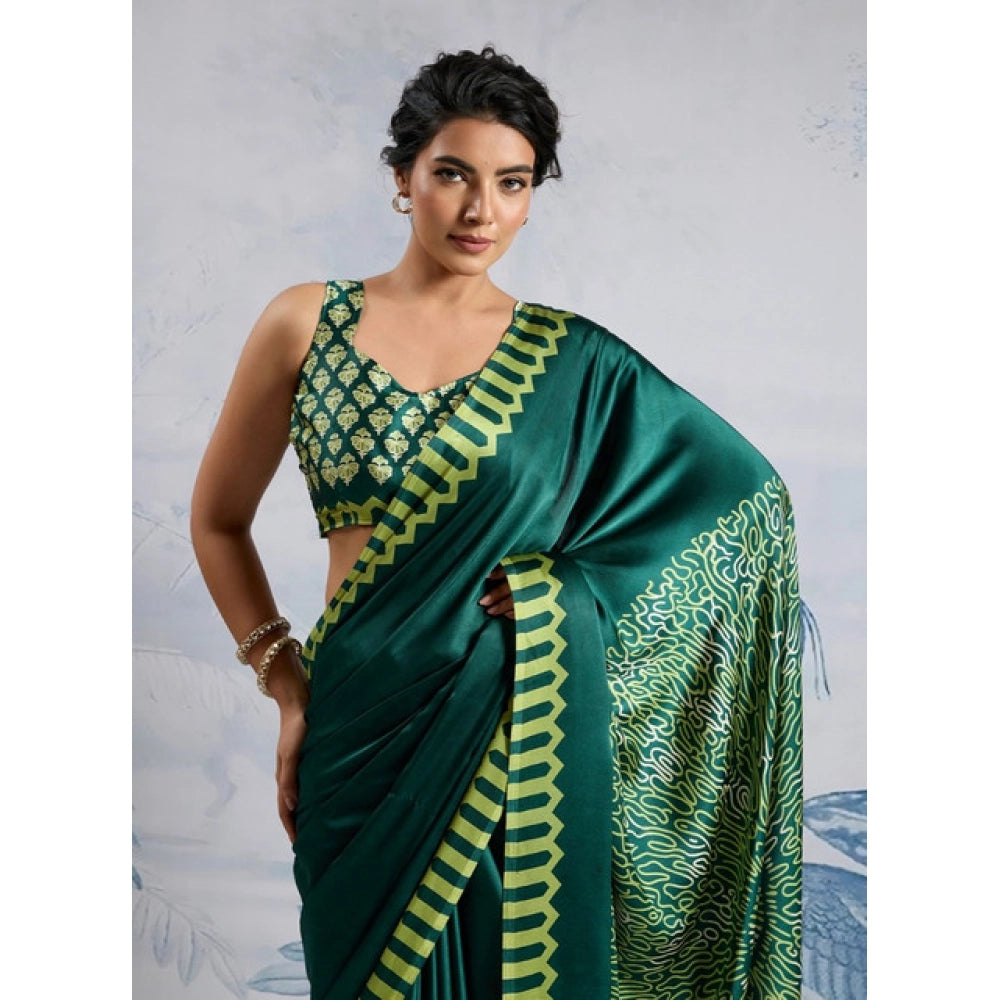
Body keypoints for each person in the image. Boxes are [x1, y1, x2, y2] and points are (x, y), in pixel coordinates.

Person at [190, 45, 803, 1000]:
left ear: (530, 197)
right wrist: (286, 686)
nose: (481, 210)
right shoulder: (304, 324)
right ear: (403, 179)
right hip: (356, 734)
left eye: (511, 184)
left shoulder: (577, 363)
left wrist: (570, 596)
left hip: (506, 738)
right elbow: (219, 520)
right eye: (453, 175)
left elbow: (745, 508)